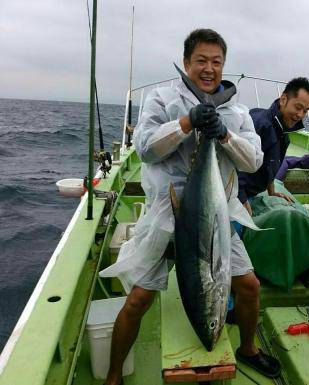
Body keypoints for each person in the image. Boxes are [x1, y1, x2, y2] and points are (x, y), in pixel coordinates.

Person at [100, 29, 281, 385]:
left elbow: (253, 161)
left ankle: (248, 349)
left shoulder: (238, 111)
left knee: (248, 285)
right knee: (139, 298)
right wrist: (187, 122)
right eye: (201, 61)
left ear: (223, 65)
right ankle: (113, 375)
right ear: (186, 63)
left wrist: (224, 135)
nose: (209, 69)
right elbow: (147, 149)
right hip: (166, 215)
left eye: (216, 62)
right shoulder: (161, 98)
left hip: (215, 213)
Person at [238, 77, 309, 215]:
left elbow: (270, 163)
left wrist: (271, 191)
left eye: (305, 111)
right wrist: (241, 200)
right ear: (283, 99)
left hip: (254, 192)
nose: (300, 115)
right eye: (298, 108)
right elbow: (234, 164)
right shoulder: (260, 125)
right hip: (237, 195)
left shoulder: (283, 130)